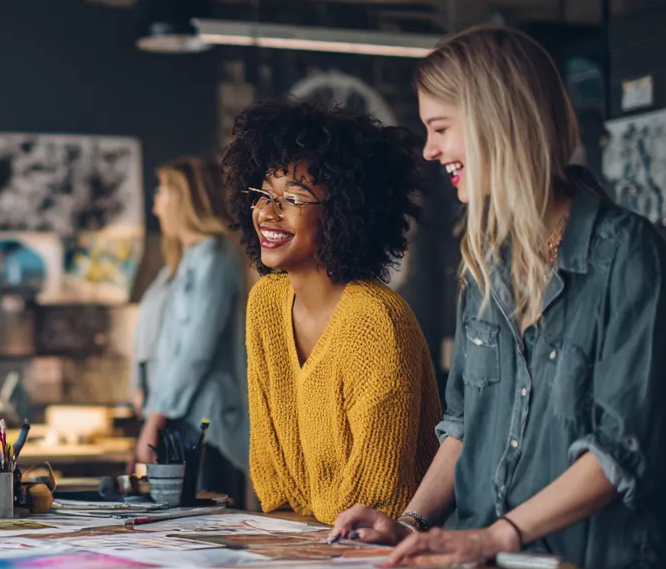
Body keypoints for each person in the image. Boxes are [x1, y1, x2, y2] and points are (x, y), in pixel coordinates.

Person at [332, 25, 666, 569]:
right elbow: (463, 426)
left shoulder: (627, 254)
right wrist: (410, 524)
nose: (430, 150)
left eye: (441, 129)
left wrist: (496, 537)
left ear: (494, 122)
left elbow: (619, 452)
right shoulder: (483, 262)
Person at [228, 101, 441, 526]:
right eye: (264, 194)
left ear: (346, 213)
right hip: (306, 544)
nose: (268, 213)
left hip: (387, 554)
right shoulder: (265, 305)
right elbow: (274, 482)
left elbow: (376, 505)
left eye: (292, 198)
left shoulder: (376, 322)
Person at [133, 156, 249, 501]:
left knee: (208, 535)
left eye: (161, 192)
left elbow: (194, 350)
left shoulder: (214, 258)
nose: (155, 206)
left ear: (184, 198)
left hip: (204, 424)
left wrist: (155, 418)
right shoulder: (181, 263)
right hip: (177, 418)